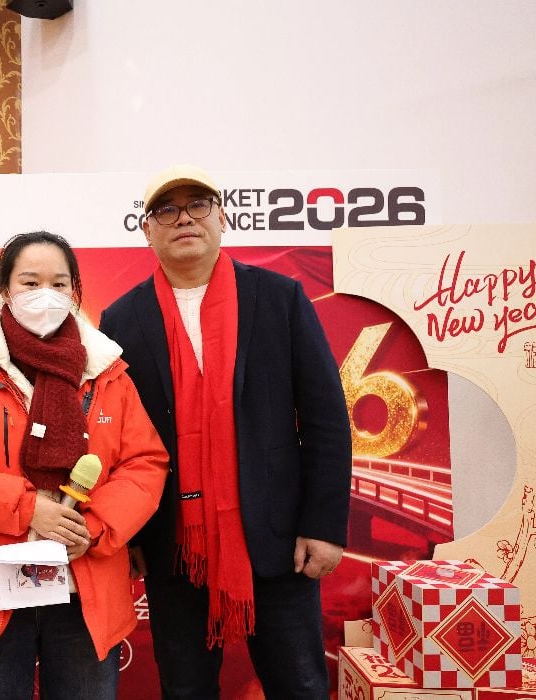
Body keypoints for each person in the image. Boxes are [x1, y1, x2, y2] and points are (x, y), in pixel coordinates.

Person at [99, 165, 352, 698]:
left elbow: (327, 418)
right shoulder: (122, 319)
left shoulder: (280, 298)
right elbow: (114, 438)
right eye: (166, 210)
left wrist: (324, 524)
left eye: (199, 205)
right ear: (146, 230)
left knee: (301, 686)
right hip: (176, 545)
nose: (184, 218)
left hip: (281, 542)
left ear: (223, 217)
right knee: (186, 690)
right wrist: (132, 534)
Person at [0, 231, 168, 699]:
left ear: (75, 291)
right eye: (30, 283)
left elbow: (145, 464)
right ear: (5, 289)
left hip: (85, 582)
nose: (45, 295)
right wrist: (30, 509)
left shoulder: (109, 374)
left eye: (58, 283)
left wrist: (91, 527)